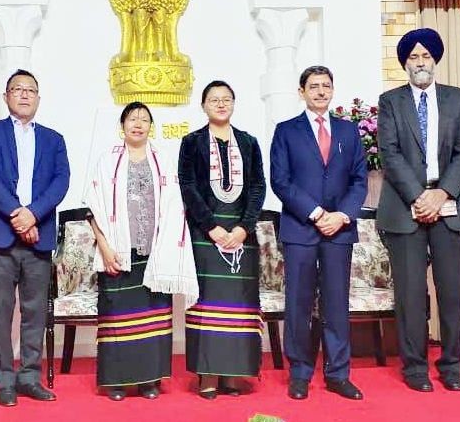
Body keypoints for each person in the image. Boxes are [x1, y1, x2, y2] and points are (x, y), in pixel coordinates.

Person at [377, 28, 460, 393]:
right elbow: (389, 152)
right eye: (413, 57)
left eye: (426, 56)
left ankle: (452, 365)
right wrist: (420, 197)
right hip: (406, 207)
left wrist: (442, 193)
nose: (420, 62)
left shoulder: (456, 99)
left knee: (451, 292)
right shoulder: (390, 101)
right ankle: (415, 367)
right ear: (405, 63)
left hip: (447, 203)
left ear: (435, 60)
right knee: (410, 294)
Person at [85, 102, 198, 401]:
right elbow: (93, 209)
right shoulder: (107, 160)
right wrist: (105, 248)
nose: (138, 123)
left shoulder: (162, 159)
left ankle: (150, 380)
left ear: (151, 126)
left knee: (153, 319)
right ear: (122, 126)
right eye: (132, 118)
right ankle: (117, 381)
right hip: (119, 253)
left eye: (144, 119)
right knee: (117, 319)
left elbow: (176, 207)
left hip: (154, 253)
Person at [0, 69, 70, 407]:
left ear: (39, 98)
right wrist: (18, 214)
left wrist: (33, 214)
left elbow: (61, 181)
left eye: (31, 90)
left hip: (38, 236)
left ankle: (29, 376)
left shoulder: (54, 139)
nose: (25, 95)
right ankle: (4, 380)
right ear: (6, 96)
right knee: (0, 312)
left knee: (34, 313)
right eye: (18, 89)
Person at [270, 66, 367, 401]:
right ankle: (300, 372)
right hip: (300, 229)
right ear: (301, 91)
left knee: (337, 303)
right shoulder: (286, 131)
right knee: (298, 303)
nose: (321, 91)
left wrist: (341, 215)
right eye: (314, 86)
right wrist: (315, 213)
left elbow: (359, 180)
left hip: (339, 230)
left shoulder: (349, 131)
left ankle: (338, 373)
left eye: (327, 86)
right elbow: (280, 181)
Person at [178, 80, 266, 400]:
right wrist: (211, 226)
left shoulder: (249, 142)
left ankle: (234, 373)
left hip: (242, 234)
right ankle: (208, 374)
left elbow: (257, 188)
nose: (220, 104)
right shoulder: (191, 142)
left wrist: (244, 227)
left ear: (233, 104)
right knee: (207, 304)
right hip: (205, 234)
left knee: (238, 305)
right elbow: (187, 186)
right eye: (213, 99)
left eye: (226, 99)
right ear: (203, 105)